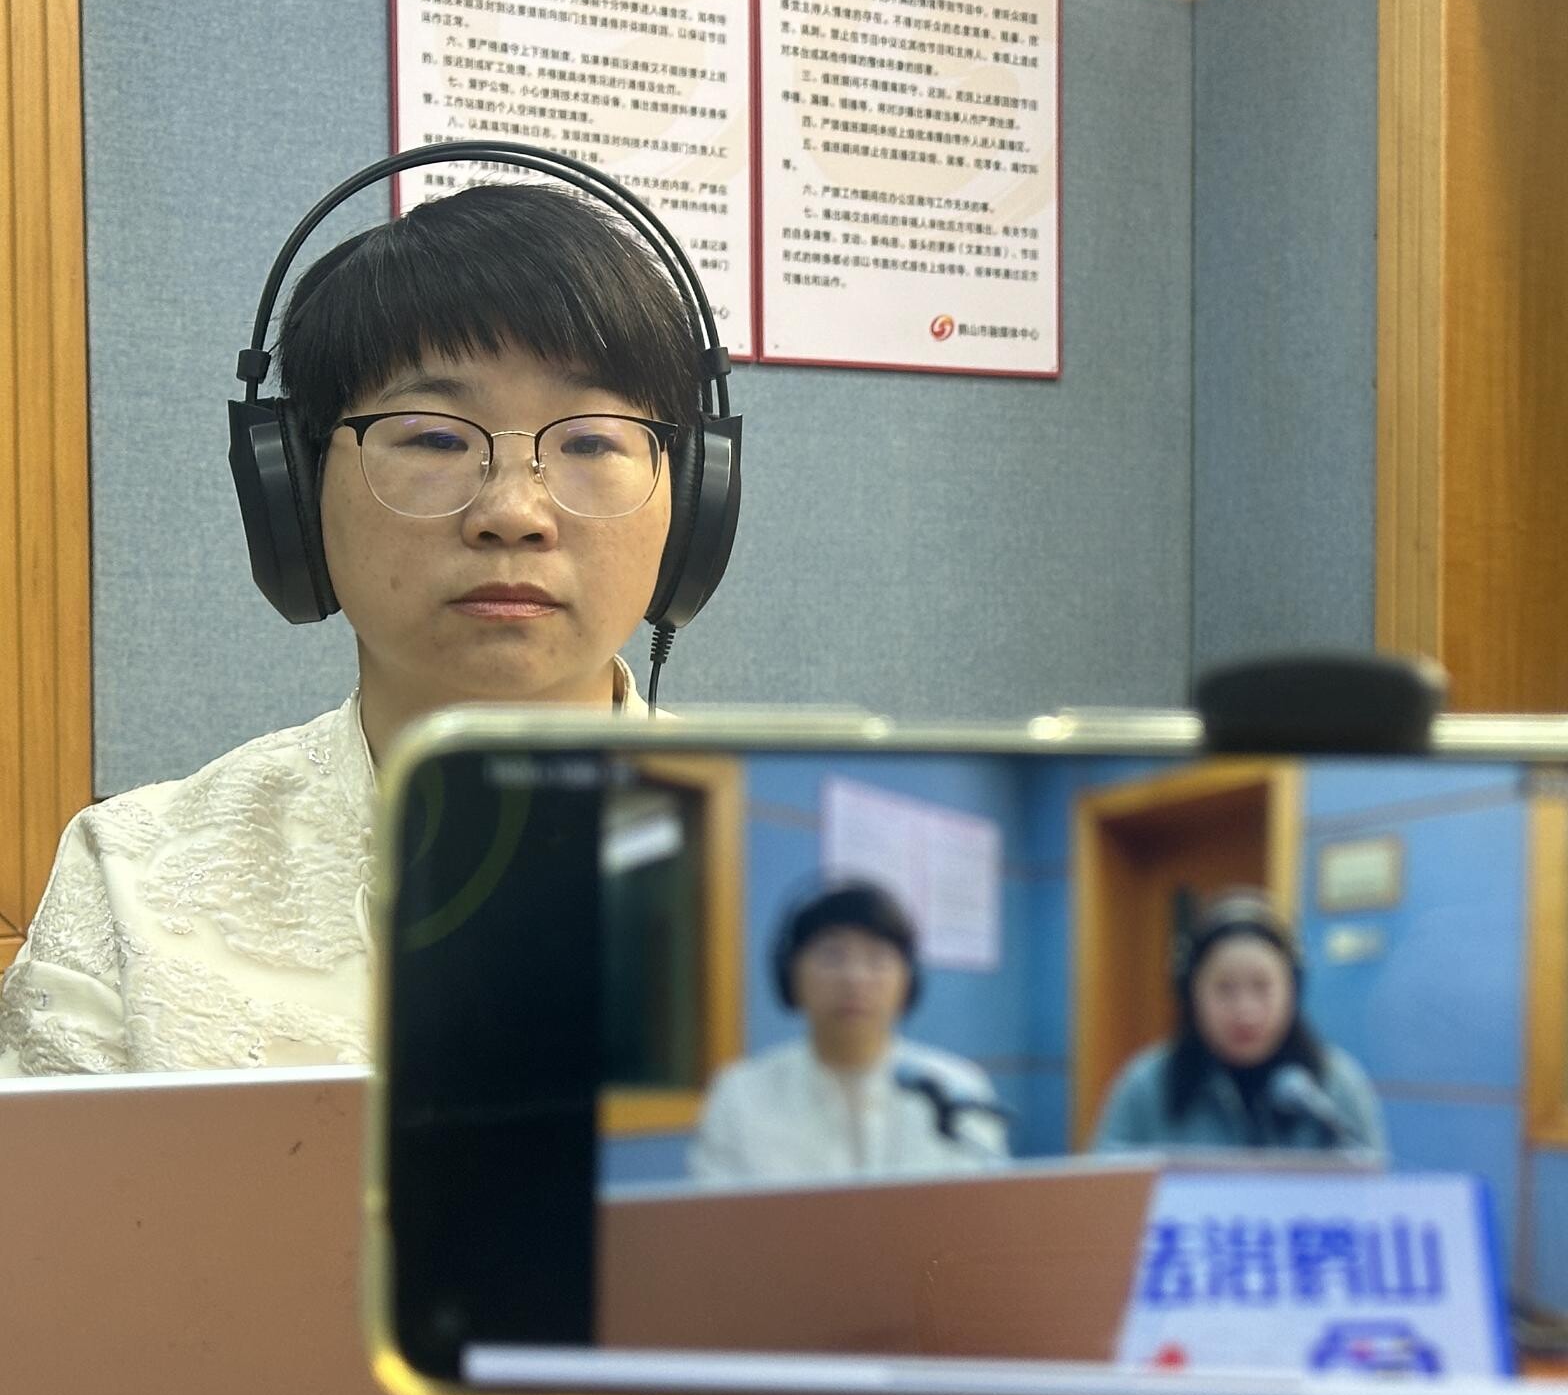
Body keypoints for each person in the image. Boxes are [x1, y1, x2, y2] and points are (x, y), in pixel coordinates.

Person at [0, 179, 711, 1077]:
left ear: (693, 500)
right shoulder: (133, 875)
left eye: (590, 441)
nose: (513, 513)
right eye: (434, 438)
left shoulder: (814, 859)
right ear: (295, 493)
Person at [691, 881, 1009, 1182]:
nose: (854, 978)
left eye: (878, 958)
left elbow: (988, 1210)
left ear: (908, 982)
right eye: (832, 956)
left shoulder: (957, 1091)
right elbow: (717, 1218)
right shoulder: (741, 1096)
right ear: (790, 977)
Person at [1091, 890, 1387, 1155]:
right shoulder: (1147, 1085)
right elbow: (1104, 1191)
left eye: (1262, 987)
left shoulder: (1334, 1087)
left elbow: (1371, 1189)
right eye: (1224, 989)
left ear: (1293, 989)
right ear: (1190, 993)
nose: (1245, 1011)